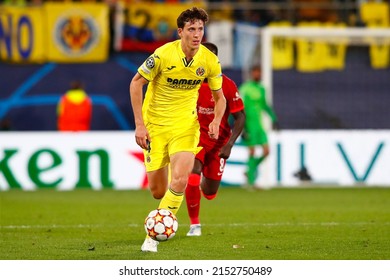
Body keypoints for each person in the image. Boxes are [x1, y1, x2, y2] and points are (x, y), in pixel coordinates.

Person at [129, 7, 226, 252]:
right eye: (191, 29)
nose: (197, 34)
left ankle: (153, 235)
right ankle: (163, 214)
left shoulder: (209, 60)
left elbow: (220, 97)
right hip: (155, 126)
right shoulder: (162, 55)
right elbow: (136, 83)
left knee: (181, 180)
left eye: (200, 29)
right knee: (158, 190)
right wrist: (140, 125)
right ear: (180, 31)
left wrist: (216, 120)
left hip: (185, 126)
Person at [185, 42, 245, 237]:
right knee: (193, 171)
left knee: (210, 193)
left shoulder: (226, 85)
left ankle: (199, 184)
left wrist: (229, 145)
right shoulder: (187, 82)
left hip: (219, 143)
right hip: (194, 138)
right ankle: (195, 225)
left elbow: (241, 117)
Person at [239, 65, 279, 188]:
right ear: (252, 73)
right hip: (249, 125)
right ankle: (251, 183)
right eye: (256, 72)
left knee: (267, 151)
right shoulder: (245, 89)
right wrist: (242, 127)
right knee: (252, 152)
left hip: (260, 126)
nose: (258, 74)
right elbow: (240, 108)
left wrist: (274, 119)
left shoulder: (262, 89)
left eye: (259, 72)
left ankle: (249, 171)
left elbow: (265, 105)